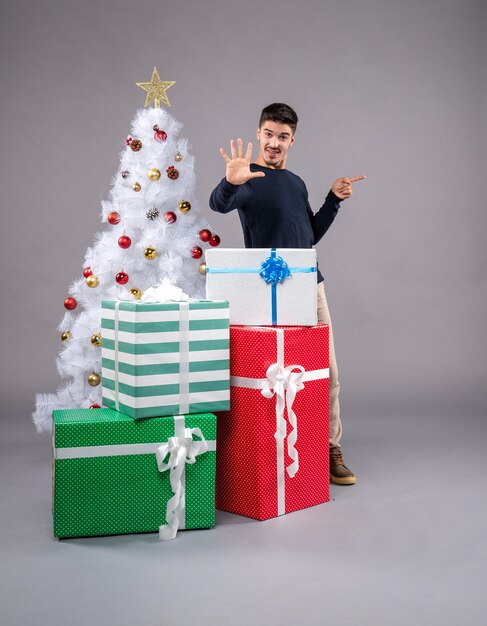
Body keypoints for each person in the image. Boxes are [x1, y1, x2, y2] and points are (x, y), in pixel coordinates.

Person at [209, 102, 365, 485]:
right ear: (259, 134)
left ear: (292, 140)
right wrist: (231, 181)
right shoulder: (248, 178)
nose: (274, 143)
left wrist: (333, 201)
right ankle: (259, 453)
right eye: (268, 134)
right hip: (265, 289)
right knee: (264, 373)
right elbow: (220, 204)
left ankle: (328, 447)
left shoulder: (295, 182)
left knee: (327, 372)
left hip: (309, 284)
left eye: (282, 137)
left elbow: (308, 237)